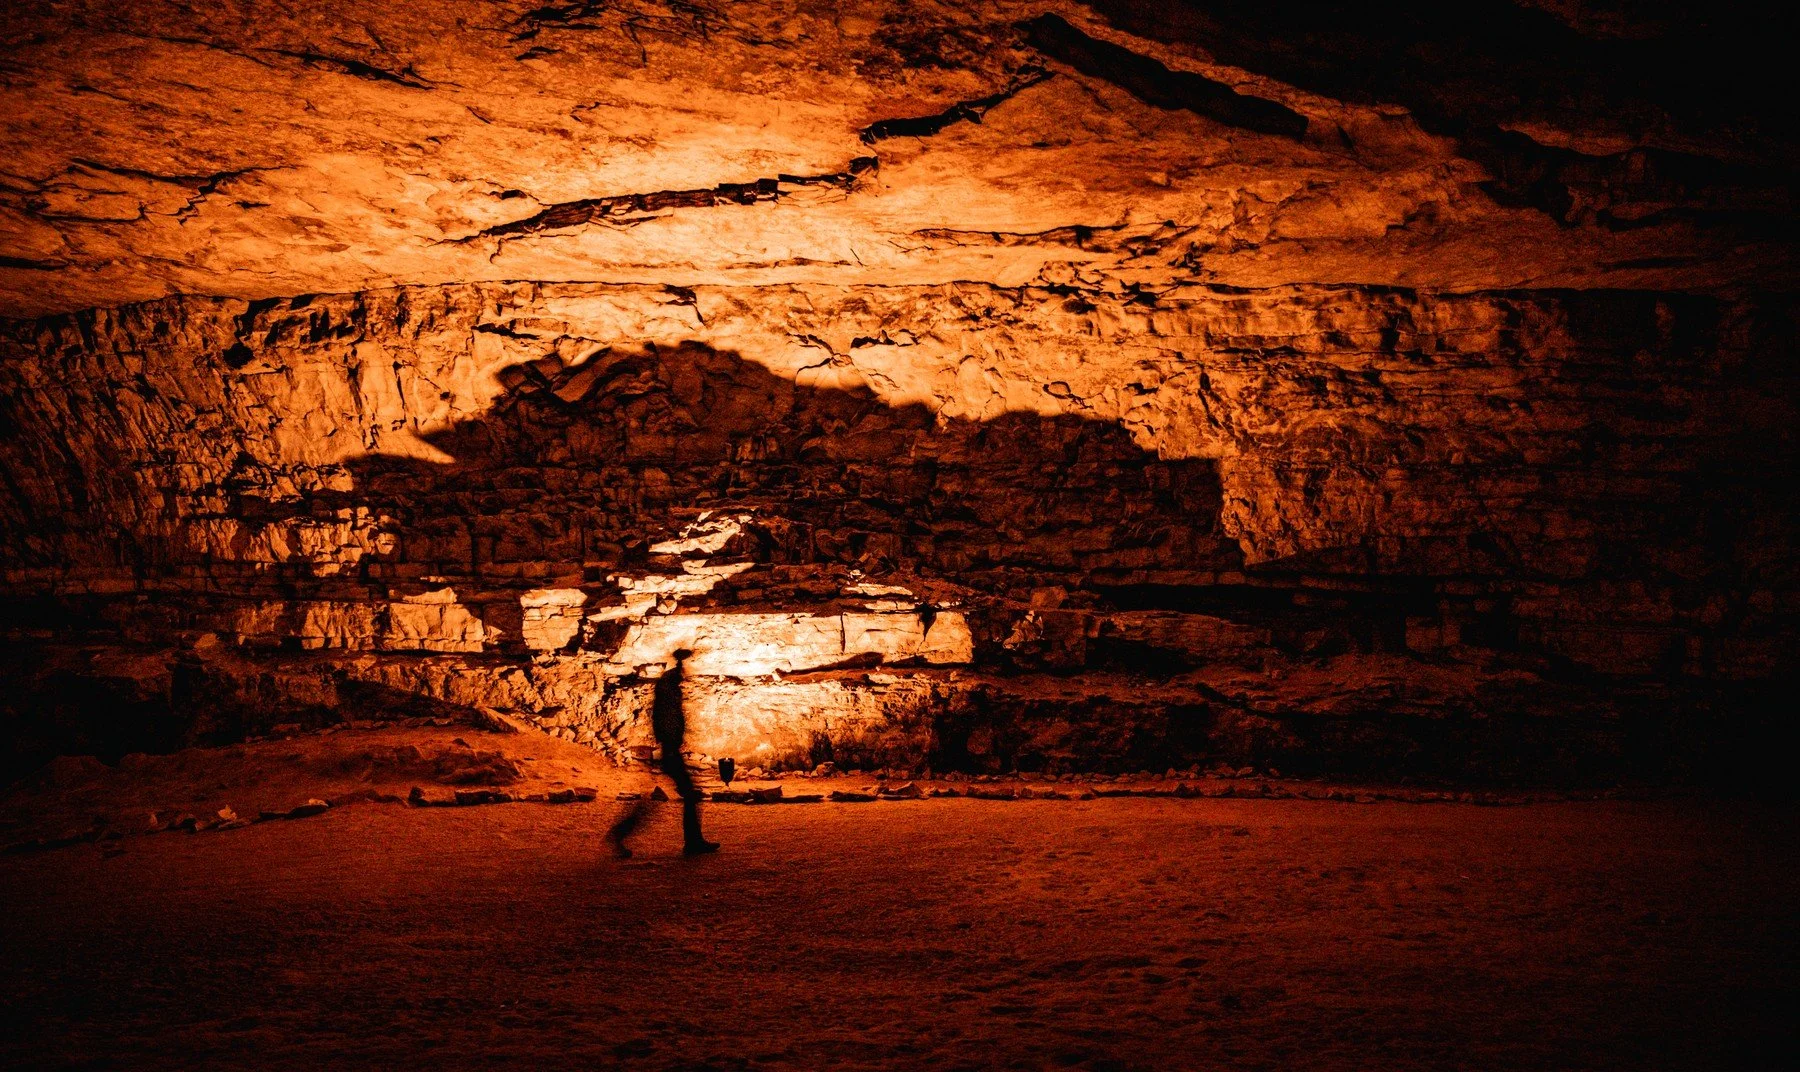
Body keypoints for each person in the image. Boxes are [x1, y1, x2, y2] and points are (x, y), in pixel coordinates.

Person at [608, 649, 719, 857]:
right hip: (670, 753)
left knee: (655, 803)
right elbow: (668, 727)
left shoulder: (665, 695)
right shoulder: (668, 699)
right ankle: (692, 842)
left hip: (669, 752)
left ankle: (619, 836)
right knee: (683, 797)